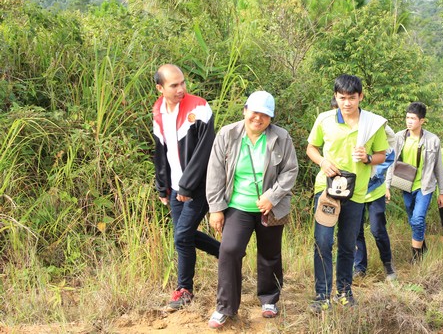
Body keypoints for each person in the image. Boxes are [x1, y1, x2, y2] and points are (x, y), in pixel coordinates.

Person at [205, 91, 298, 329]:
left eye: (265, 115)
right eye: (254, 112)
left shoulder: (281, 137)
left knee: (270, 254)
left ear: (271, 117)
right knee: (229, 250)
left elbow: (290, 171)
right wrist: (216, 208)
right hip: (238, 206)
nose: (258, 118)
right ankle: (225, 307)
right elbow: (215, 172)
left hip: (271, 207)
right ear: (245, 110)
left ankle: (269, 299)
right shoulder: (227, 134)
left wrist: (272, 197)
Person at [306, 74, 389, 313]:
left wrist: (368, 158)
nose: (347, 103)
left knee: (347, 244)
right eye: (342, 98)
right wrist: (322, 162)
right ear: (336, 97)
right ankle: (322, 296)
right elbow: (311, 148)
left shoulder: (372, 124)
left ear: (361, 96)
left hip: (356, 193)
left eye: (352, 98)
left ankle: (344, 292)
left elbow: (382, 155)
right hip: (327, 190)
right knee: (323, 242)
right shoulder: (325, 119)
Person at [152, 64, 220, 311]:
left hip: (198, 186)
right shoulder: (158, 111)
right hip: (174, 188)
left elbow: (205, 151)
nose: (181, 88)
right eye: (174, 85)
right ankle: (227, 254)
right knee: (184, 236)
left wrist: (187, 186)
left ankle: (184, 290)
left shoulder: (199, 107)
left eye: (182, 82)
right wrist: (163, 187)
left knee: (181, 236)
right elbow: (160, 150)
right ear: (160, 88)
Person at [386, 102, 443, 262]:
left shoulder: (433, 140)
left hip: (425, 186)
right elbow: (391, 162)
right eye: (407, 117)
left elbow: (438, 167)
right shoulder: (399, 137)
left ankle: (416, 258)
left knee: (418, 219)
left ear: (422, 120)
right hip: (406, 185)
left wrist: (442, 192)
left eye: (413, 118)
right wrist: (387, 186)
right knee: (413, 220)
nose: (409, 121)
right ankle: (422, 248)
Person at [354, 125, 397, 281]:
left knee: (377, 229)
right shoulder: (347, 130)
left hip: (375, 191)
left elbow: (388, 155)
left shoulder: (375, 126)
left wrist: (371, 165)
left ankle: (388, 264)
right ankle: (359, 268)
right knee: (356, 231)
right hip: (355, 191)